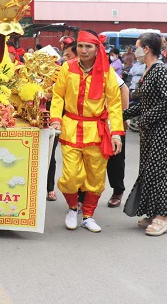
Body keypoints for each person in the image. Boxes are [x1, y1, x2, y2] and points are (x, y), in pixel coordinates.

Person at [50, 30, 124, 233]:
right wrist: (55, 119)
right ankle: (73, 208)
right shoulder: (67, 67)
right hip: (71, 127)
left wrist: (116, 132)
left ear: (97, 48)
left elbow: (115, 103)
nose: (83, 50)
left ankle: (88, 215)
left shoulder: (107, 72)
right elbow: (58, 95)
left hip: (96, 131)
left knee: (96, 176)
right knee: (71, 175)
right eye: (80, 46)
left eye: (88, 46)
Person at [122, 32, 167, 236]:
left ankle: (163, 216)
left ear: (145, 49)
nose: (134, 51)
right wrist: (121, 116)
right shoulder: (148, 70)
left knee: (161, 172)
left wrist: (143, 120)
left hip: (162, 129)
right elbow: (144, 105)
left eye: (137, 47)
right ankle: (153, 212)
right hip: (150, 130)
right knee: (149, 171)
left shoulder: (161, 70)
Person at [47, 39, 76, 202]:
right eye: (63, 54)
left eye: (68, 55)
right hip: (49, 115)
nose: (64, 57)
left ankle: (50, 189)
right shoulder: (58, 70)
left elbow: (59, 96)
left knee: (52, 151)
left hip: (69, 119)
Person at [106, 72, 130, 208]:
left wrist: (124, 115)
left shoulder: (105, 69)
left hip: (111, 121)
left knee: (116, 158)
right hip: (87, 123)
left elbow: (124, 88)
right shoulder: (71, 70)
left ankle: (117, 191)